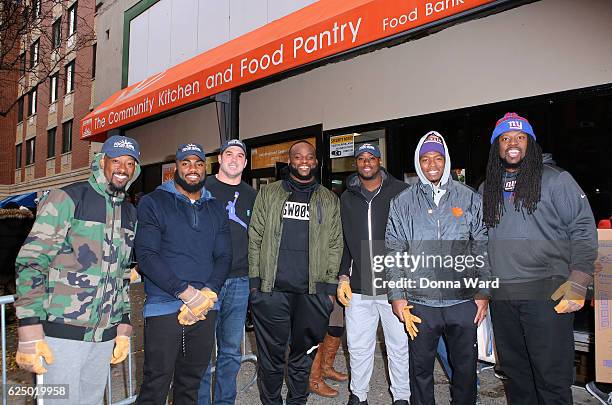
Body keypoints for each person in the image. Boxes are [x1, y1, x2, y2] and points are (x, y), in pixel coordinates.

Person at [14, 135, 141, 404]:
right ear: (102, 161)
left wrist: (124, 322)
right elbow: (31, 261)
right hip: (62, 331)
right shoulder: (68, 198)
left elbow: (121, 275)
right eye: (116, 160)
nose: (122, 168)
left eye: (130, 163)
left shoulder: (129, 213)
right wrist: (28, 325)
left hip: (104, 336)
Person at [482, 113, 598, 404]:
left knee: (551, 378)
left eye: (520, 137)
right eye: (505, 138)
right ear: (496, 146)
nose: (512, 143)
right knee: (516, 376)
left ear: (530, 143)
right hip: (504, 296)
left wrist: (579, 282)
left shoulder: (556, 179)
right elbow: (481, 243)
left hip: (547, 293)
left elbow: (583, 229)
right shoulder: (488, 188)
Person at [385, 131, 490, 405]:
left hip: (462, 300)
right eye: (426, 158)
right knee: (420, 370)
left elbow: (482, 246)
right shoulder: (402, 202)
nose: (432, 164)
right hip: (420, 302)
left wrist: (483, 291)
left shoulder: (469, 198)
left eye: (438, 158)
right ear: (418, 163)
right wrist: (397, 296)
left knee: (465, 369)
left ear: (447, 161)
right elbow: (394, 251)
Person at [135, 143, 232, 404]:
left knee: (191, 383)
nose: (193, 169)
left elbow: (224, 256)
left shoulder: (215, 207)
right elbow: (146, 257)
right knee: (156, 384)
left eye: (199, 163)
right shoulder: (153, 202)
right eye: (186, 163)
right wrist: (187, 294)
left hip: (205, 308)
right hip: (164, 307)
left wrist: (209, 293)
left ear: (205, 169)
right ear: (175, 168)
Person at [248, 140, 343, 405]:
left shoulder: (328, 198)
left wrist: (328, 290)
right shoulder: (269, 194)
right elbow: (255, 236)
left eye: (309, 157)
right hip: (271, 291)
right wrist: (255, 285)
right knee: (271, 359)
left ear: (315, 162)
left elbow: (336, 244)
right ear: (290, 162)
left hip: (311, 293)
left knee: (304, 358)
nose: (304, 161)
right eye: (298, 157)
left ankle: (297, 401)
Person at [335, 143, 410, 405]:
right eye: (361, 158)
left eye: (372, 158)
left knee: (398, 346)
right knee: (357, 346)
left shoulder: (401, 191)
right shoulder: (347, 197)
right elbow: (344, 240)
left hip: (394, 285)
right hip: (359, 286)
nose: (366, 162)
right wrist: (343, 275)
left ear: (380, 161)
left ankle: (402, 396)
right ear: (355, 163)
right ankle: (358, 394)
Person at [198, 139, 257, 405]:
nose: (234, 159)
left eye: (239, 155)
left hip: (240, 281)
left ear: (245, 163)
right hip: (205, 282)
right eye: (228, 154)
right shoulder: (202, 189)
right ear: (219, 159)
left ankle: (225, 401)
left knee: (231, 350)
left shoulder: (252, 195)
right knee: (199, 350)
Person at [0, 202, 34, 296]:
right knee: (18, 296)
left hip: (1, 268)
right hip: (18, 267)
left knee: (2, 300)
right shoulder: (26, 222)